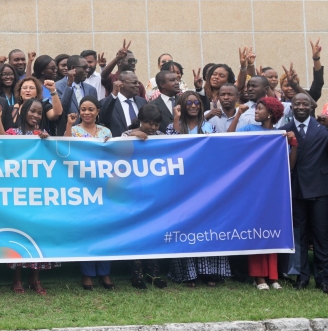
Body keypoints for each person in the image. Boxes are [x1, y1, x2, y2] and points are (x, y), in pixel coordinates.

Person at [228, 96, 295, 290]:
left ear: (271, 113)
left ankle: (273, 276)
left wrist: (293, 142)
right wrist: (238, 114)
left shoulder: (280, 135)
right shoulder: (249, 129)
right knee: (256, 231)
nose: (256, 112)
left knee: (272, 231)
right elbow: (228, 138)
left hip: (273, 189)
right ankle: (259, 277)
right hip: (252, 189)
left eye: (259, 109)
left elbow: (289, 165)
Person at [285, 92, 328, 294]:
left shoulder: (324, 126)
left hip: (321, 188)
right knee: (300, 235)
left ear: (312, 106)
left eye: (305, 104)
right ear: (291, 107)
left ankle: (323, 279)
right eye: (297, 104)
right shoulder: (284, 129)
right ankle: (302, 278)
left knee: (322, 234)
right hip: (296, 189)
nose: (301, 107)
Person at [166, 94, 228, 288]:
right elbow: (169, 149)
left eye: (196, 103)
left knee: (208, 227)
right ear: (182, 106)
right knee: (185, 227)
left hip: (206, 185)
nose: (193, 106)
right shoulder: (172, 126)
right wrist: (176, 119)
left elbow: (219, 153)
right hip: (181, 187)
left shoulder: (211, 127)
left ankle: (211, 273)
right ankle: (188, 273)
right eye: (188, 103)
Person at [63, 96, 113, 289]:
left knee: (104, 230)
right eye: (83, 109)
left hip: (103, 187)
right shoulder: (74, 130)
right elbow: (65, 149)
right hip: (81, 187)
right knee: (86, 230)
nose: (86, 113)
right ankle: (87, 274)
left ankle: (105, 272)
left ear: (98, 111)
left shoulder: (106, 131)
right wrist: (68, 124)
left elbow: (112, 153)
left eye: (91, 109)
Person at [4, 97, 53, 293]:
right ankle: (16, 279)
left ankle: (35, 279)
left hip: (38, 192)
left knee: (38, 235)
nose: (36, 115)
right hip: (18, 191)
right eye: (32, 111)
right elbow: (4, 149)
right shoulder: (12, 133)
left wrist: (46, 142)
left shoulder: (43, 135)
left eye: (39, 113)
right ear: (24, 111)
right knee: (19, 235)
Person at [120, 104, 168, 290]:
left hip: (154, 194)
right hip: (133, 192)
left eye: (156, 124)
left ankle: (154, 274)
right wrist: (133, 135)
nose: (154, 128)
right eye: (150, 124)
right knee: (135, 234)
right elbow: (117, 147)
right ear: (141, 120)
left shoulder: (162, 138)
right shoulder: (126, 134)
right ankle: (137, 275)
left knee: (153, 233)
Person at [99, 71, 147, 137]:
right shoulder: (107, 103)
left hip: (140, 143)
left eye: (138, 82)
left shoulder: (142, 102)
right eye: (134, 82)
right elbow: (103, 119)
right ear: (121, 83)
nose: (138, 85)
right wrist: (114, 93)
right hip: (118, 144)